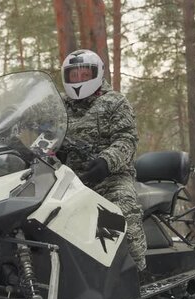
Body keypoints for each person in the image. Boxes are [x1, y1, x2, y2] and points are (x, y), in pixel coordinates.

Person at [59, 49, 147, 272]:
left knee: (122, 211)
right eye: (74, 75)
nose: (79, 80)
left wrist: (107, 161)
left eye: (84, 74)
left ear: (97, 74)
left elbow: (127, 139)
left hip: (110, 177)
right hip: (67, 180)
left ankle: (136, 273)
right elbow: (40, 127)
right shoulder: (58, 104)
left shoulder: (115, 102)